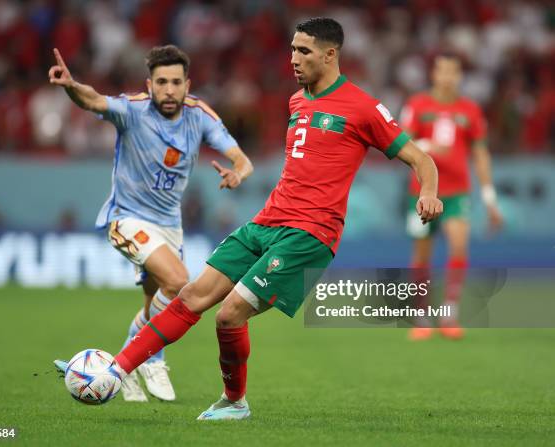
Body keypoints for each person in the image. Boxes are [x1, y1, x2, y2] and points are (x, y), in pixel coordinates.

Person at [75, 17, 443, 420]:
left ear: (330, 54)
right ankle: (113, 373)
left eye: (303, 51)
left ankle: (235, 402)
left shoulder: (363, 107)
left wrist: (428, 192)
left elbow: (420, 158)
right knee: (192, 296)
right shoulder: (297, 100)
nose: (293, 58)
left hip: (309, 234)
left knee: (229, 314)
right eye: (291, 49)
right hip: (266, 222)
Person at [48, 45, 253, 402]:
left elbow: (241, 159)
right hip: (125, 218)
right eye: (162, 82)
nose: (169, 90)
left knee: (152, 307)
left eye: (176, 82)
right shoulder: (133, 110)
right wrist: (71, 86)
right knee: (178, 282)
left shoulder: (199, 115)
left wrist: (238, 173)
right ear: (150, 84)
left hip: (169, 227)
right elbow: (94, 101)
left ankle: (119, 367)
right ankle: (151, 358)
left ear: (188, 84)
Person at [401, 53, 503, 341]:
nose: (447, 77)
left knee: (459, 246)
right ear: (434, 74)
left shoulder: (469, 110)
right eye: (442, 71)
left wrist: (489, 197)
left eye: (452, 72)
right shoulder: (417, 105)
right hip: (421, 192)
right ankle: (421, 316)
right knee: (422, 254)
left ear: (460, 77)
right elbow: (400, 143)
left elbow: (480, 153)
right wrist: (427, 144)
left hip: (458, 191)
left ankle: (449, 313)